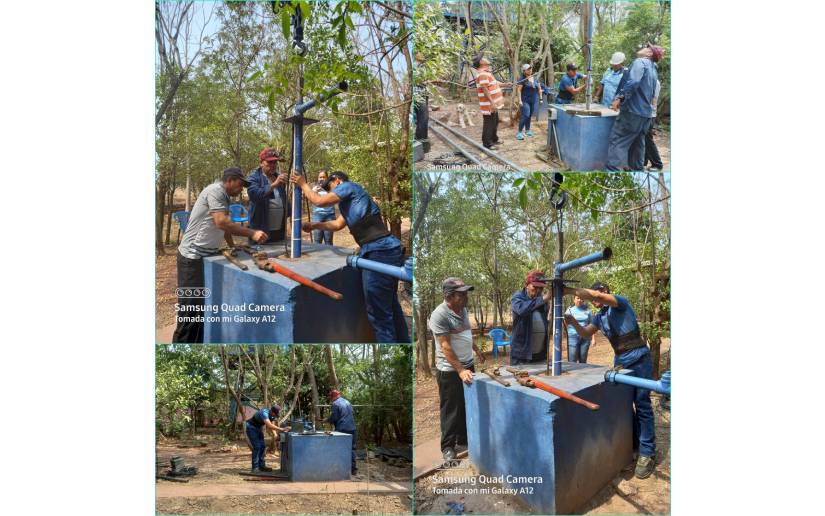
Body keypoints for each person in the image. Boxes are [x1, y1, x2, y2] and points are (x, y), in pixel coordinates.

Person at [291, 171, 410, 343]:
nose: (330, 192)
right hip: (384, 250)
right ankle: (403, 343)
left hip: (379, 251)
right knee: (390, 305)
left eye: (330, 187)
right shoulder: (350, 203)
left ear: (337, 181)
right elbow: (337, 225)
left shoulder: (349, 187)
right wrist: (314, 224)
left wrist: (303, 184)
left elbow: (319, 201)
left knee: (379, 315)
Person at [563, 282, 656, 479]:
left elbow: (600, 297)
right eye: (596, 296)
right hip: (621, 363)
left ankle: (647, 453)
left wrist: (570, 291)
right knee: (623, 406)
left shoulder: (619, 302)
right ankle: (633, 443)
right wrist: (573, 323)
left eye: (600, 294)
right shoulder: (599, 317)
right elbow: (586, 333)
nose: (597, 299)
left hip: (639, 359)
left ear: (605, 293)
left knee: (642, 404)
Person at [173, 168, 268, 343]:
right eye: (240, 185)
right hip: (191, 258)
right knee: (190, 313)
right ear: (230, 180)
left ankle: (197, 342)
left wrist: (233, 246)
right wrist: (252, 233)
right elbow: (221, 222)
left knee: (200, 310)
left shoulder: (223, 196)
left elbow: (223, 226)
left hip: (203, 257)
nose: (242, 190)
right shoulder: (216, 191)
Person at [429, 277, 485, 461]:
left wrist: (476, 350)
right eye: (461, 294)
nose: (465, 296)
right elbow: (445, 346)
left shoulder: (463, 309)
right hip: (450, 370)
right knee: (451, 408)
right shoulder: (440, 314)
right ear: (449, 296)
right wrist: (460, 370)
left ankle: (463, 438)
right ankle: (448, 446)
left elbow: (466, 334)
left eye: (465, 293)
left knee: (465, 403)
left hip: (467, 364)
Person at [605, 45, 663, 171]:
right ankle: (637, 169)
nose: (644, 47)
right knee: (638, 143)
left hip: (633, 113)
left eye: (647, 47)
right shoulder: (653, 68)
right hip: (646, 116)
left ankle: (613, 171)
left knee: (618, 140)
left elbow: (633, 82)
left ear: (649, 54)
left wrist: (619, 98)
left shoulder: (640, 62)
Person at [510, 271, 552, 366]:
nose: (538, 290)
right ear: (527, 285)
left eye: (540, 288)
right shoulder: (518, 297)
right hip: (522, 355)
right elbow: (522, 310)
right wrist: (544, 298)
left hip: (540, 354)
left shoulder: (542, 300)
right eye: (535, 287)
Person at [247, 148, 288, 243]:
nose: (273, 165)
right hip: (261, 229)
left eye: (275, 162)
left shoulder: (279, 178)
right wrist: (274, 185)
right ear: (261, 163)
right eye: (270, 162)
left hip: (279, 230)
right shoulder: (254, 178)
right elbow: (255, 195)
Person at [245, 404, 291, 473]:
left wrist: (275, 434)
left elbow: (272, 424)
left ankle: (262, 466)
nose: (275, 416)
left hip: (258, 428)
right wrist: (282, 429)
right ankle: (255, 467)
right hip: (251, 427)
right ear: (272, 412)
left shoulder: (271, 415)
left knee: (262, 446)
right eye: (275, 414)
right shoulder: (264, 413)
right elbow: (269, 425)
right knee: (257, 447)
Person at [473, 55, 504, 149]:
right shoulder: (482, 74)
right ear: (481, 62)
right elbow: (485, 89)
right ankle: (487, 144)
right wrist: (492, 103)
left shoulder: (486, 73)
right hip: (489, 105)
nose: (486, 58)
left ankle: (494, 139)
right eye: (484, 57)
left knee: (494, 122)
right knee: (489, 124)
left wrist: (506, 84)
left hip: (492, 104)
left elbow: (494, 83)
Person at [324, 389, 358, 474]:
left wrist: (326, 420)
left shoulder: (335, 404)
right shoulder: (348, 402)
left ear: (333, 397)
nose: (331, 399)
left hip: (342, 429)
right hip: (352, 428)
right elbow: (350, 414)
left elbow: (334, 418)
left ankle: (341, 469)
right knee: (352, 449)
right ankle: (353, 469)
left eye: (331, 397)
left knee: (340, 448)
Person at [564, 295, 596, 363]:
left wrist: (593, 339)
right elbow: (565, 324)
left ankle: (582, 373)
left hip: (585, 337)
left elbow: (592, 324)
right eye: (577, 298)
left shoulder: (588, 310)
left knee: (583, 359)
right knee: (572, 360)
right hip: (572, 337)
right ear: (574, 300)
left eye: (581, 298)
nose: (579, 300)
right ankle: (573, 373)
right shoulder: (569, 310)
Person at [516, 64, 543, 141]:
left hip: (532, 100)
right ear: (524, 71)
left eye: (530, 69)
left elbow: (539, 88)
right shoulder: (522, 79)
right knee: (526, 115)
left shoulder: (534, 78)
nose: (530, 70)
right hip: (525, 100)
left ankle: (527, 130)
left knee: (529, 115)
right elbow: (519, 90)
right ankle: (520, 132)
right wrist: (520, 100)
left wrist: (541, 98)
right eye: (528, 69)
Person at [310, 170, 335, 245]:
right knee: (317, 241)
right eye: (320, 177)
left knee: (328, 241)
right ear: (318, 178)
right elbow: (311, 201)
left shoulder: (331, 188)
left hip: (329, 216)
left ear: (327, 178)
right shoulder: (314, 188)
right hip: (317, 215)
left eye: (324, 177)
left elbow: (334, 199)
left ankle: (329, 256)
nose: (322, 179)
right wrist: (313, 192)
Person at [644, 78, 664, 171]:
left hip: (649, 115)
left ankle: (657, 164)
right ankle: (643, 161)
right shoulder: (649, 80)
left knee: (648, 139)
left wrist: (650, 113)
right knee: (644, 139)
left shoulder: (655, 82)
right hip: (647, 114)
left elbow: (654, 99)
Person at [413, 51, 429, 142]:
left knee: (422, 119)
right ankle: (422, 140)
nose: (422, 54)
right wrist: (426, 82)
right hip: (418, 95)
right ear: (415, 55)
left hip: (423, 94)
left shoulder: (422, 66)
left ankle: (420, 139)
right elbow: (418, 81)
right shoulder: (415, 67)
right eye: (420, 53)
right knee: (423, 118)